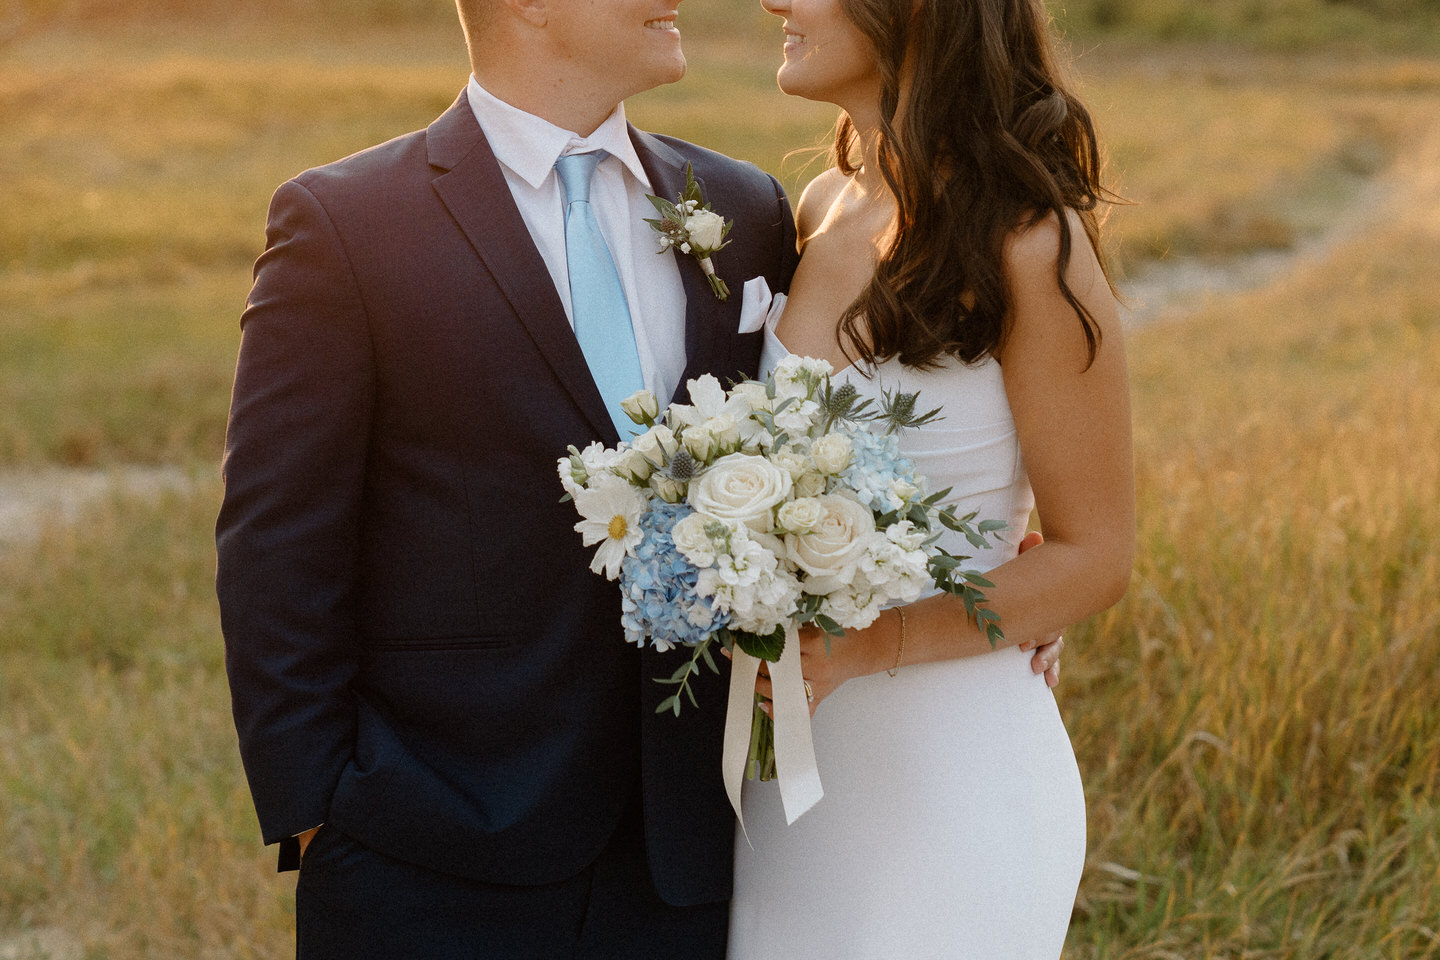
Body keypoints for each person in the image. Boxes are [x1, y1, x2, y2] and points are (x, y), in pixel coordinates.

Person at [216, 0, 1067, 956]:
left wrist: (988, 569)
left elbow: (844, 423)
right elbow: (276, 545)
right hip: (429, 851)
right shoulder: (348, 223)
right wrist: (315, 810)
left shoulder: (744, 210)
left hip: (691, 854)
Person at [728, 0, 1134, 956]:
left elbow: (1095, 555)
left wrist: (870, 644)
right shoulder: (823, 205)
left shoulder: (1034, 244)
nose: (775, 3)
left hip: (951, 780)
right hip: (783, 790)